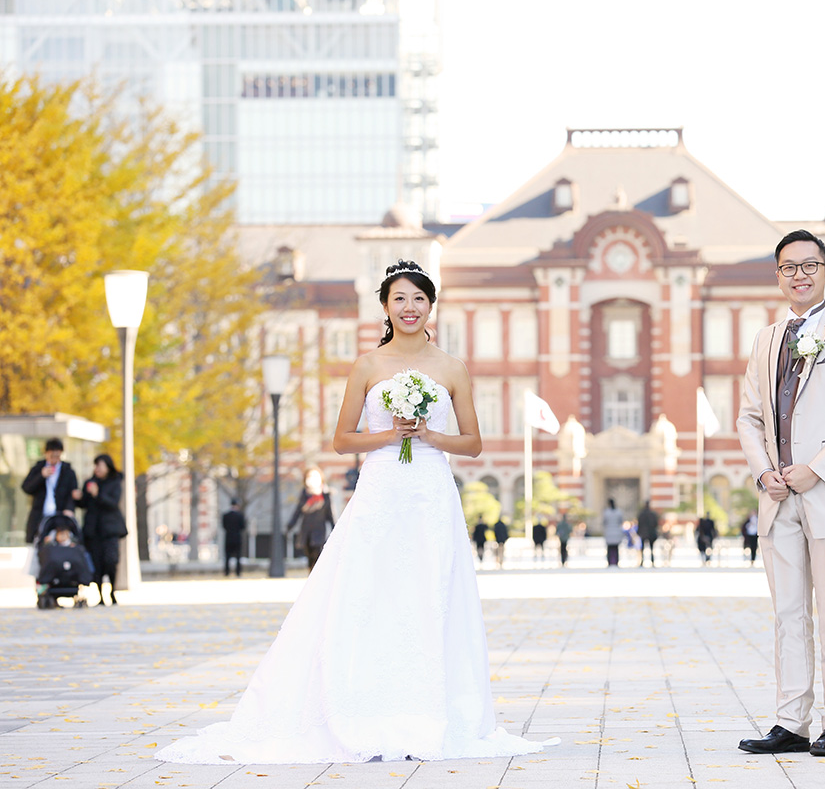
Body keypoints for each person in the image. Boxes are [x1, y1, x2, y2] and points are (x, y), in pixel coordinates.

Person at [157, 259, 546, 764]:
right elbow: (342, 440)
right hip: (382, 487)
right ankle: (360, 707)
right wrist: (393, 433)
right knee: (366, 590)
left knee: (430, 593)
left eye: (419, 299)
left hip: (430, 490)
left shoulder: (452, 367)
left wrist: (427, 434)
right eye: (400, 299)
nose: (410, 308)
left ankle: (429, 710)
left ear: (432, 306)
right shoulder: (367, 365)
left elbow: (472, 442)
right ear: (385, 306)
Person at [735, 230, 825, 758]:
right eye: (788, 267)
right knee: (788, 614)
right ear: (777, 276)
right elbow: (749, 417)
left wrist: (815, 470)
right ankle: (791, 722)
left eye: (809, 265)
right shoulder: (765, 340)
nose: (799, 274)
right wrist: (764, 473)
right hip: (777, 499)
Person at [77, 454, 126, 606]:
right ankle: (99, 595)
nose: (97, 468)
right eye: (96, 465)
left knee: (111, 560)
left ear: (108, 467)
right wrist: (78, 497)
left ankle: (111, 591)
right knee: (96, 564)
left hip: (110, 530)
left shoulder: (115, 482)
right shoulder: (90, 483)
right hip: (93, 530)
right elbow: (84, 504)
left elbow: (113, 503)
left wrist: (98, 494)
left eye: (100, 465)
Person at [21, 438, 78, 546]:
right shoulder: (38, 468)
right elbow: (26, 488)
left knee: (59, 549)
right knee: (39, 546)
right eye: (52, 456)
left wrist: (69, 509)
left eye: (57, 456)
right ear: (46, 453)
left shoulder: (68, 471)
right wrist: (41, 476)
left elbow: (72, 493)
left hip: (60, 517)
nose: (54, 459)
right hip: (40, 516)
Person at [36, 518, 93, 609]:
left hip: (72, 574)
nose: (62, 537)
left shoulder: (74, 547)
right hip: (55, 574)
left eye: (65, 534)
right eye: (60, 534)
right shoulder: (51, 547)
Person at [286, 468, 335, 572]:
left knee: (317, 552)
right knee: (309, 553)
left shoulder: (325, 495)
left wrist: (334, 527)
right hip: (307, 529)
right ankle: (311, 572)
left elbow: (330, 514)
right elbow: (298, 510)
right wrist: (291, 524)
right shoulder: (305, 494)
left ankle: (316, 574)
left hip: (319, 529)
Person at [222, 499, 247, 577]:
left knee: (227, 556)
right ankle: (238, 572)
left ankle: (227, 572)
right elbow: (243, 526)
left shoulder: (225, 515)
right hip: (237, 538)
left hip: (228, 538)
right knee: (238, 556)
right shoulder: (240, 515)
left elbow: (224, 526)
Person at [636, 501, 659, 567]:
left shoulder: (641, 514)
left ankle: (642, 561)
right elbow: (656, 523)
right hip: (651, 533)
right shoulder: (652, 514)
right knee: (651, 548)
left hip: (643, 533)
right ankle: (652, 560)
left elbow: (639, 524)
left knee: (643, 548)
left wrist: (639, 532)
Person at [602, 499, 623, 568]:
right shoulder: (618, 512)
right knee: (616, 548)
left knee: (609, 548)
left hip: (609, 532)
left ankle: (609, 562)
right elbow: (621, 521)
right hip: (616, 532)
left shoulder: (606, 512)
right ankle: (616, 561)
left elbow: (604, 522)